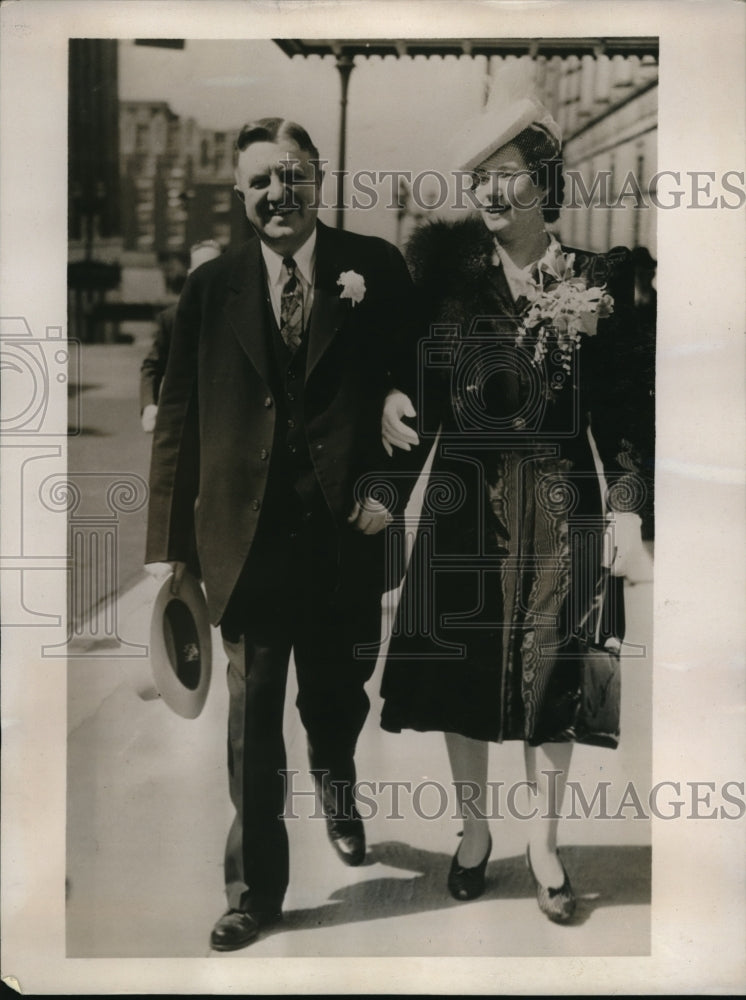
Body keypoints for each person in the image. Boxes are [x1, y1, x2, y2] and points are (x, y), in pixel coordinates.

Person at [145, 117, 415, 951]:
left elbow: (419, 382)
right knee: (252, 719)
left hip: (345, 534)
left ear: (319, 178)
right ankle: (253, 888)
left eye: (292, 175)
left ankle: (338, 781)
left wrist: (389, 487)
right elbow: (180, 417)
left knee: (335, 699)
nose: (277, 194)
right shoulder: (211, 287)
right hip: (247, 543)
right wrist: (170, 548)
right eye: (260, 179)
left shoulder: (373, 268)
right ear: (240, 193)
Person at [380, 98, 646, 923]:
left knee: (554, 674)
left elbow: (624, 417)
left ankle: (543, 843)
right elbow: (417, 392)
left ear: (544, 183)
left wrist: (630, 511)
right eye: (478, 181)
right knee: (462, 668)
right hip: (465, 496)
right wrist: (391, 426)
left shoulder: (595, 282)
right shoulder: (445, 284)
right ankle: (471, 832)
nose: (490, 194)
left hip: (564, 501)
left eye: (506, 178)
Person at [140, 240, 223, 432]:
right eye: (201, 271)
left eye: (215, 269)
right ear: (190, 275)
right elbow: (151, 366)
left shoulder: (243, 316)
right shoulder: (172, 319)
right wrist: (149, 405)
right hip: (184, 423)